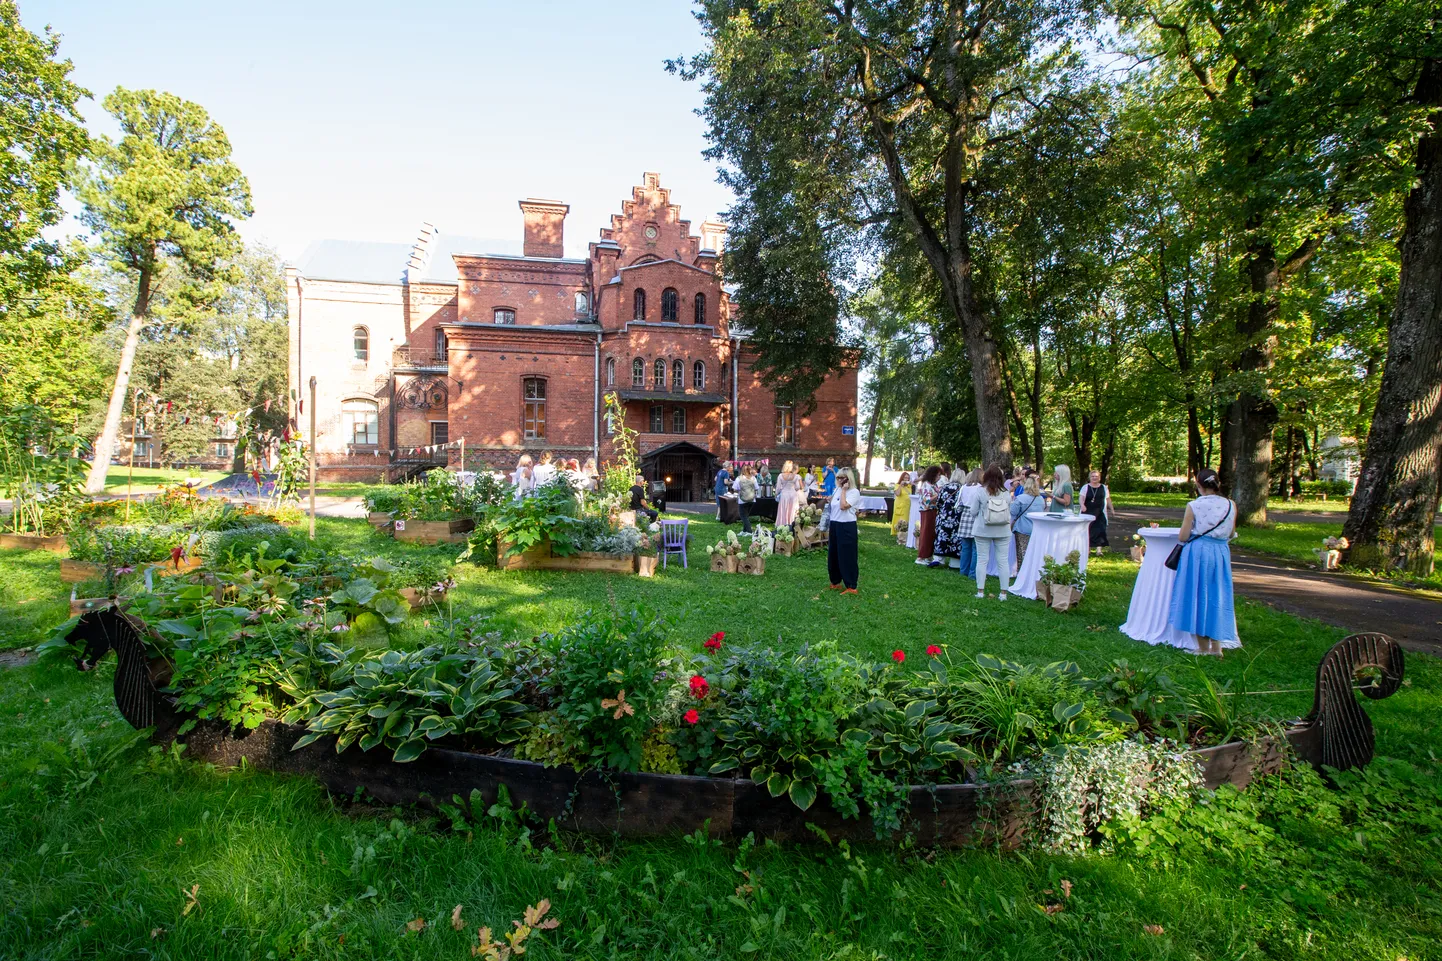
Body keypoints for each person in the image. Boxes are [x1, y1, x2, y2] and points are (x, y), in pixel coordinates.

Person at [1169, 468, 1239, 656]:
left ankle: (1202, 647)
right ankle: (1217, 647)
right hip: (1221, 553)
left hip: (1199, 553)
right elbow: (1231, 532)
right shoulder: (1231, 504)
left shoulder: (1194, 505)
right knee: (1217, 595)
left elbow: (1183, 536)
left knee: (1198, 595)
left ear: (1198, 485)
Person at [972, 465, 1014, 600]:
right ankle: (1003, 593)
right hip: (1002, 530)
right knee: (1002, 561)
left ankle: (980, 591)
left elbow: (973, 511)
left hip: (983, 529)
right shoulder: (1006, 493)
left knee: (982, 560)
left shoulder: (980, 492)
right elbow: (1009, 510)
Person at [826, 468, 860, 594]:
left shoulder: (854, 492)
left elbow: (843, 506)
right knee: (833, 554)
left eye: (842, 478)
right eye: (838, 477)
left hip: (847, 525)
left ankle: (851, 585)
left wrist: (844, 490)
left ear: (848, 479)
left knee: (847, 555)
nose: (839, 480)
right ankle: (835, 581)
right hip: (835, 524)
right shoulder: (837, 490)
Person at [931, 467, 967, 570]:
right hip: (957, 518)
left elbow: (939, 502)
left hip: (944, 517)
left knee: (941, 537)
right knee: (955, 540)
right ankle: (954, 562)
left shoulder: (945, 487)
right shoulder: (963, 488)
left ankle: (938, 559)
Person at [1010, 474, 1049, 565]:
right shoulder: (1040, 499)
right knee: (1034, 552)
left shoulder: (1021, 498)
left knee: (1021, 552)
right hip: (1036, 528)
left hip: (1022, 528)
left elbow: (1013, 512)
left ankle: (1022, 572)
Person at [954, 467, 984, 578]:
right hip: (976, 515)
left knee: (965, 547)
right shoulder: (981, 488)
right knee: (976, 548)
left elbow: (958, 504)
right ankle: (973, 573)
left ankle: (963, 571)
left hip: (965, 515)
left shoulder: (964, 487)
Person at [914, 466, 943, 565]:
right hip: (927, 511)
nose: (939, 477)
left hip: (933, 510)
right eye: (938, 475)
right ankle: (921, 556)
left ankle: (928, 555)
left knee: (931, 534)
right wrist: (938, 495)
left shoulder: (934, 485)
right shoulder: (926, 485)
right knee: (926, 533)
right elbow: (927, 499)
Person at [1080, 470, 1113, 555]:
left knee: (1100, 530)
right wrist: (1082, 505)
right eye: (1093, 476)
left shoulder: (1104, 487)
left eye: (1096, 476)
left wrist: (1112, 509)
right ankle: (1088, 549)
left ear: (1099, 478)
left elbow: (1108, 499)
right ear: (1090, 478)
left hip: (1100, 512)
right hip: (1087, 511)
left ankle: (1099, 550)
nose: (1094, 478)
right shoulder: (1085, 487)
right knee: (1088, 530)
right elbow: (1081, 498)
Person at [775, 460, 803, 528]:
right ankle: (792, 525)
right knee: (793, 511)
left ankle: (783, 525)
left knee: (784, 510)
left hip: (784, 495)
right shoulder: (795, 476)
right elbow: (797, 487)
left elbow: (778, 488)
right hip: (793, 495)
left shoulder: (781, 476)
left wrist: (776, 494)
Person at [736, 464, 759, 533]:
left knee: (743, 516)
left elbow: (735, 488)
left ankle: (749, 531)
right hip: (752, 499)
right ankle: (744, 531)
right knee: (746, 516)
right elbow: (757, 488)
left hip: (742, 500)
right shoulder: (753, 478)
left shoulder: (739, 478)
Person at [890, 471, 912, 537]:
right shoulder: (897, 485)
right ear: (902, 478)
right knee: (899, 518)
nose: (906, 479)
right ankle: (897, 531)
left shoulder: (909, 486)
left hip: (907, 505)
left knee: (906, 518)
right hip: (900, 504)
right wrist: (901, 485)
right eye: (905, 478)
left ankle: (905, 531)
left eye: (908, 478)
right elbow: (897, 494)